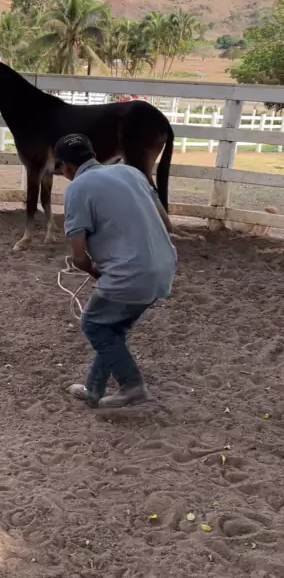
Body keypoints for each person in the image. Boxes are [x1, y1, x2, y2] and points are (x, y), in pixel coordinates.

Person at [55, 132, 177, 409]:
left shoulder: (77, 189)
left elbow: (78, 257)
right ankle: (93, 389)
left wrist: (96, 272)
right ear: (93, 155)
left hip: (130, 274)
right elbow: (168, 224)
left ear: (65, 167)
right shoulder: (131, 172)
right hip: (164, 267)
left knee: (93, 324)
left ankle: (132, 386)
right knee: (111, 328)